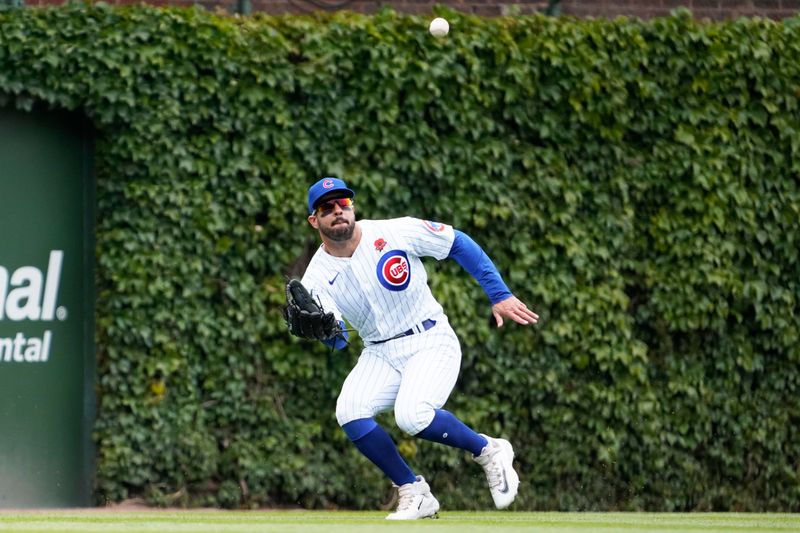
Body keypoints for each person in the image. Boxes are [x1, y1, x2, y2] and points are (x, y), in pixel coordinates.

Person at [295, 176, 539, 520]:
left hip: (429, 338)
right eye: (327, 208)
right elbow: (339, 340)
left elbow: (458, 242)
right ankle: (414, 492)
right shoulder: (316, 278)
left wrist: (498, 294)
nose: (338, 211)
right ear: (314, 220)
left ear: (352, 207)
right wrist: (321, 332)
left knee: (412, 416)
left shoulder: (395, 231)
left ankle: (488, 450)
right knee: (349, 411)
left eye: (343, 204)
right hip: (379, 351)